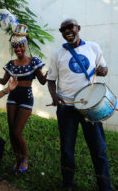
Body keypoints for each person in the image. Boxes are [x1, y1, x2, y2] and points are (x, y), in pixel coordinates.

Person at [47, 18, 112, 190]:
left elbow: (104, 69)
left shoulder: (93, 47)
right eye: (63, 29)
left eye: (70, 27)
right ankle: (68, 184)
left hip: (90, 107)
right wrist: (54, 97)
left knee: (98, 148)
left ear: (78, 28)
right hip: (67, 107)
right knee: (67, 149)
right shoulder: (57, 54)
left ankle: (105, 186)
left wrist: (102, 70)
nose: (67, 31)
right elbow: (50, 80)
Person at [0, 24, 47, 174]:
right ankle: (17, 158)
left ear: (25, 45)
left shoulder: (34, 61)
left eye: (21, 47)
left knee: (17, 132)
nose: (18, 50)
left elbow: (42, 81)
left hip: (26, 98)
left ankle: (25, 158)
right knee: (11, 132)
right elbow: (4, 82)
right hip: (12, 98)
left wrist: (53, 71)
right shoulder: (11, 64)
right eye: (16, 48)